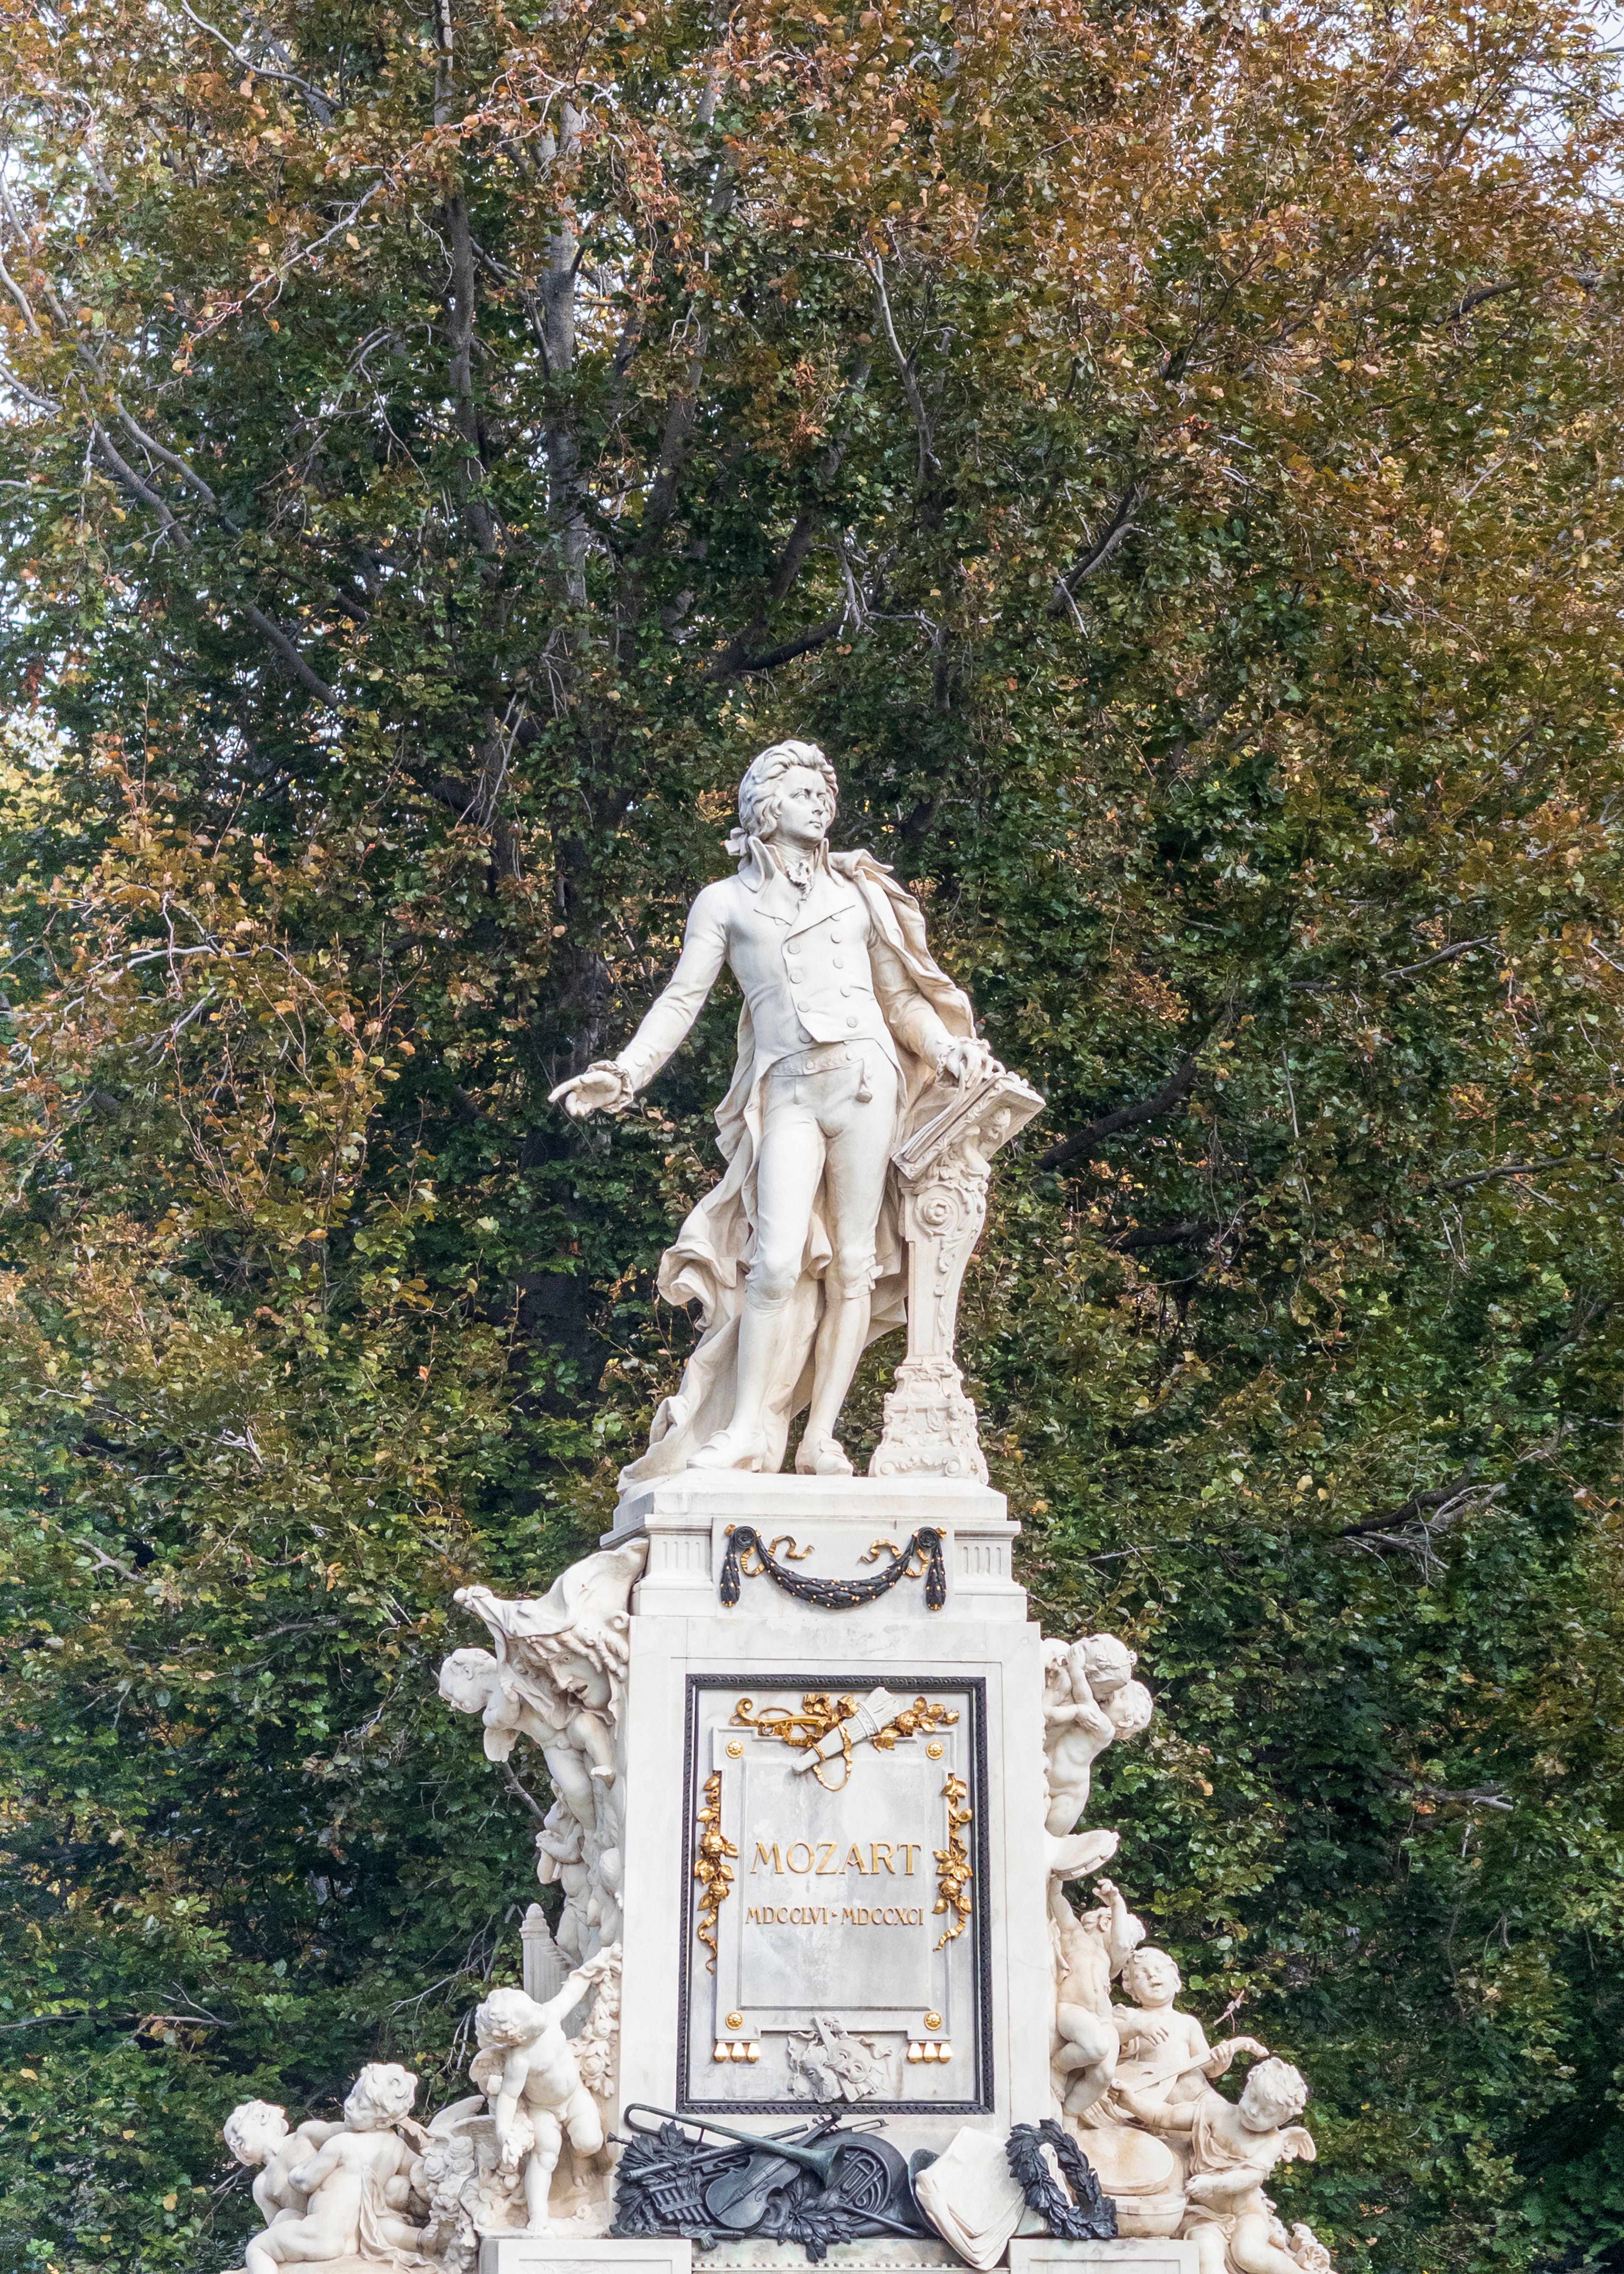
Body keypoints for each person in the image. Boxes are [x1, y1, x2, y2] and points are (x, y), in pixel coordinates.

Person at [549, 739, 995, 1478]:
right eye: (803, 791)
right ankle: (747, 1431)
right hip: (786, 1087)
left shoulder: (857, 893)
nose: (821, 801)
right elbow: (681, 1000)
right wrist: (625, 1072)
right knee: (774, 1262)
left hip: (865, 1080)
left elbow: (902, 999)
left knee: (854, 1264)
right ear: (766, 806)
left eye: (826, 792)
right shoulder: (724, 903)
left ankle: (821, 1436)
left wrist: (948, 1049)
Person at [1117, 2057, 1319, 2274]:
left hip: (1246, 2214)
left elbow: (1249, 2178)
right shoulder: (1217, 2113)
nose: (1253, 2112)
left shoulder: (1271, 2141)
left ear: (1283, 2119)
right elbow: (1167, 2116)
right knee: (1205, 2252)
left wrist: (1215, 2184)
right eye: (1252, 2099)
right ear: (1247, 2087)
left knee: (1249, 2254)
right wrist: (1131, 2102)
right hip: (1201, 2214)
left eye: (1267, 2113)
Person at [472, 1951, 618, 2232]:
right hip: (543, 2109)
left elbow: (571, 1990)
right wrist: (504, 2132)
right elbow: (509, 2097)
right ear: (518, 2036)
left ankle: (579, 2160)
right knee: (545, 2155)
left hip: (575, 2097)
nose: (539, 2015)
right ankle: (539, 2212)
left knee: (589, 2141)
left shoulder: (548, 2018)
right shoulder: (520, 2059)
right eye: (532, 2019)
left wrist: (592, 1967)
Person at [239, 2064, 430, 2272]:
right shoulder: (397, 2148)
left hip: (321, 2232)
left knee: (258, 2248)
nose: (350, 2105)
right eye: (353, 2095)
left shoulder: (339, 2143)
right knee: (285, 2219)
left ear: (385, 2119)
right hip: (352, 2239)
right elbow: (422, 2171)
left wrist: (299, 2170)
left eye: (361, 2104)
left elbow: (304, 2183)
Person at [1110, 1947, 1269, 2111]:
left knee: (1225, 2113)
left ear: (1176, 1981)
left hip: (1198, 2092)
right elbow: (1105, 2039)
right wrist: (1137, 2028)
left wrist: (1222, 2063)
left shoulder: (1188, 2023)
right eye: (1141, 1975)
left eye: (1159, 1970)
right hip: (1157, 2097)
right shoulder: (1131, 2016)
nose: (1152, 1975)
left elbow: (1207, 2067)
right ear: (1133, 1992)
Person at [1050, 1876, 1144, 2115]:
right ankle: (1059, 2067)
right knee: (1096, 2048)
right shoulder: (1073, 1934)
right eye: (1133, 1938)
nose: (1131, 1948)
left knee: (1104, 2075)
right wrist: (1059, 1870)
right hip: (1073, 2009)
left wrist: (1117, 1902)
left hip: (1103, 2019)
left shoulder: (1110, 1959)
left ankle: (1069, 2116)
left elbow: (1122, 1945)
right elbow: (1054, 1896)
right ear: (1106, 1922)